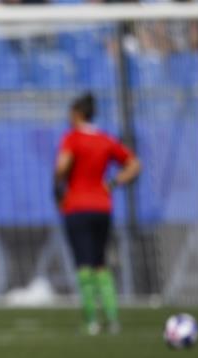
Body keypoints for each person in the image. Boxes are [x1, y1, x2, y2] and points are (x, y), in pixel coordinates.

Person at [54, 93, 140, 335]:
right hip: (102, 206)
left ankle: (91, 320)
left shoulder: (72, 139)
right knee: (100, 261)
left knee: (84, 263)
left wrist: (58, 186)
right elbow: (134, 165)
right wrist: (112, 184)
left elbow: (62, 166)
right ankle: (113, 319)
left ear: (78, 114)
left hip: (77, 205)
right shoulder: (105, 140)